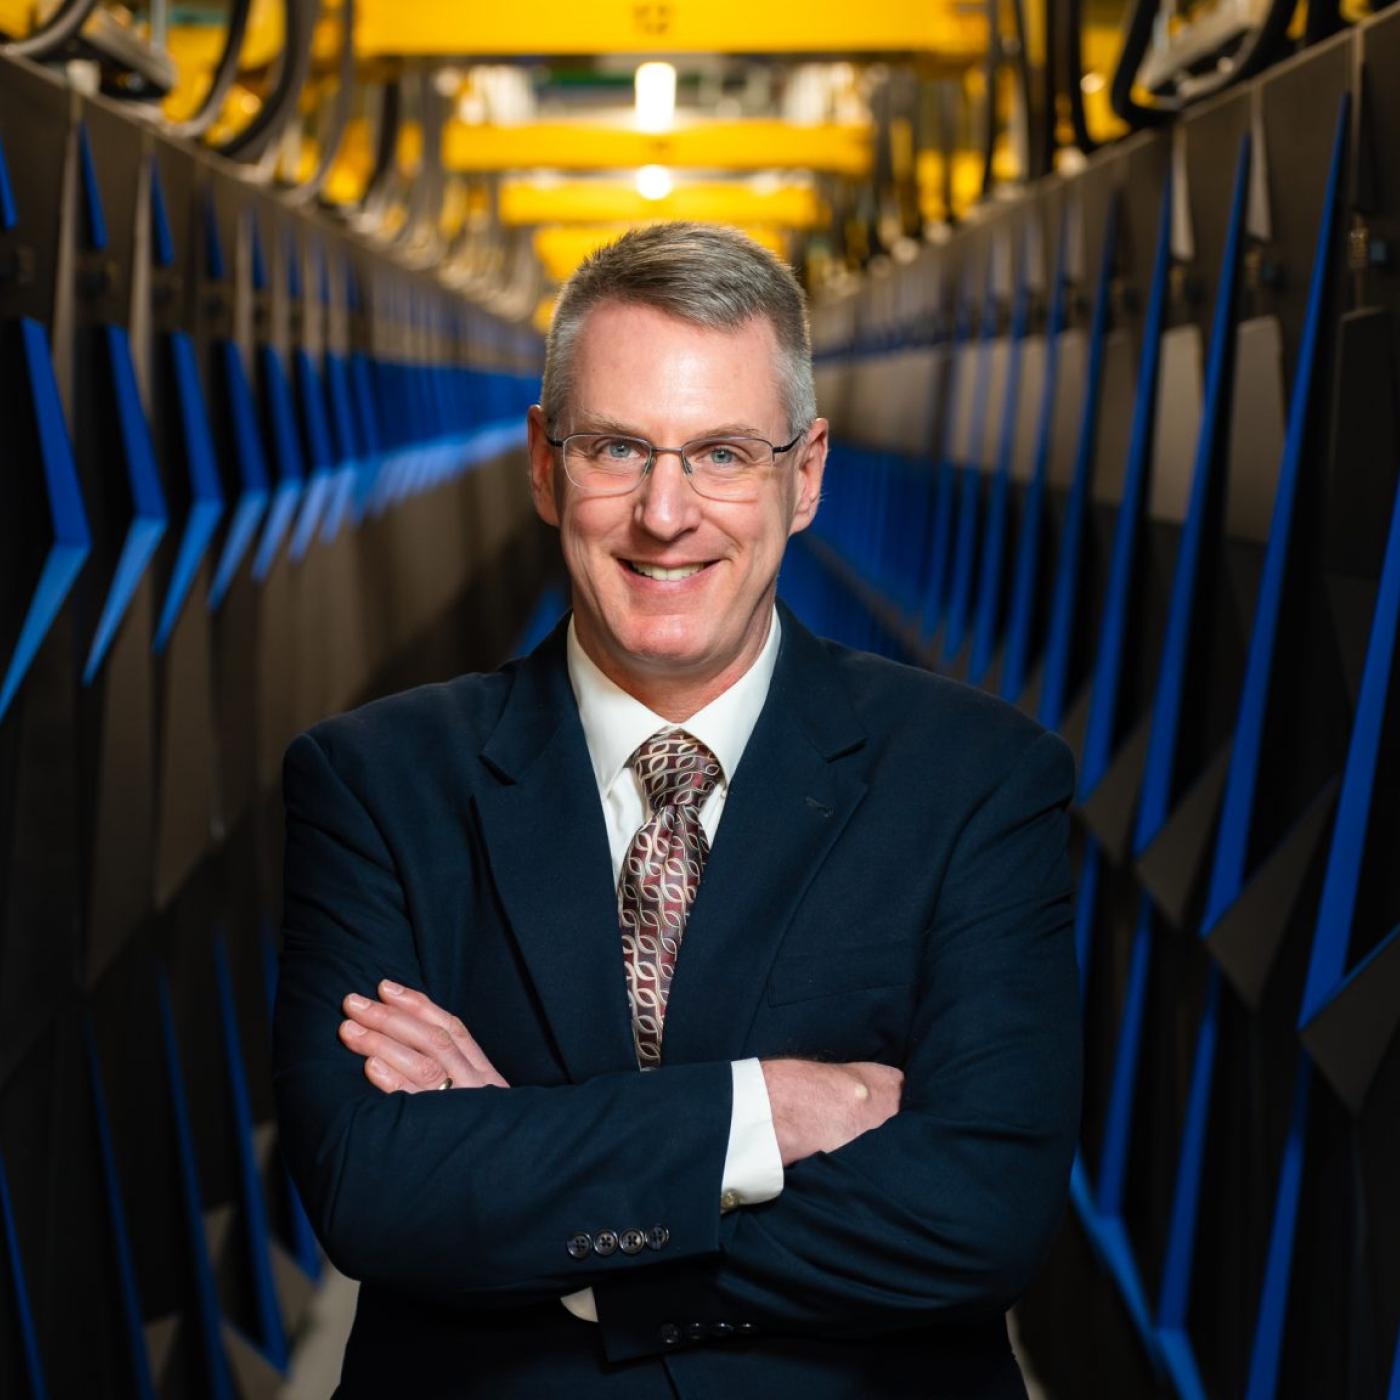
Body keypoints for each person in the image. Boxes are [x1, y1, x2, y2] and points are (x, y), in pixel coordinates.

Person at [273, 222, 1081, 1399]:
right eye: (617, 448)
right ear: (545, 463)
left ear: (802, 475)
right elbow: (372, 1186)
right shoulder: (374, 781)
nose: (664, 512)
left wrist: (557, 1202)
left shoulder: (975, 778)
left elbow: (980, 1210)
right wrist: (763, 1109)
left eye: (721, 454)